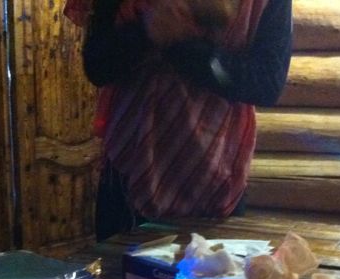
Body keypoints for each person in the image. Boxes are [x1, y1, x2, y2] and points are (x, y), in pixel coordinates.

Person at [64, 0, 292, 240]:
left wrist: (179, 46)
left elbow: (267, 84)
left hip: (216, 177)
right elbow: (97, 66)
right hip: (128, 168)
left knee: (214, 265)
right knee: (116, 264)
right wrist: (146, 31)